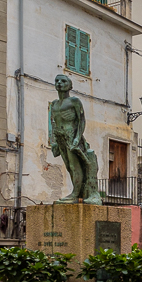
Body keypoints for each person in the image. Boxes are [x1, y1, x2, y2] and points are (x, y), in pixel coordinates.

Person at [49, 74, 102, 204]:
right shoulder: (54, 104)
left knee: (74, 165)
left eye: (63, 81)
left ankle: (75, 194)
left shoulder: (74, 101)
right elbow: (53, 123)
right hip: (60, 138)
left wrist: (77, 138)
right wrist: (54, 142)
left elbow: (81, 121)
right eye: (57, 81)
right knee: (69, 166)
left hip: (71, 136)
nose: (59, 83)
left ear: (70, 85)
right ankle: (76, 191)